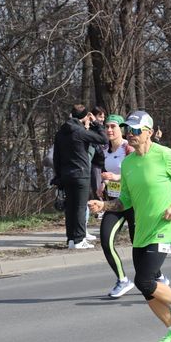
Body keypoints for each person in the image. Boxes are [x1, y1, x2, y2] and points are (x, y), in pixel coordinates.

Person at [88, 110, 171, 342]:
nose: (132, 134)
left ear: (149, 133)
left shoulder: (165, 155)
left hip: (164, 226)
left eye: (137, 131)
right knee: (145, 286)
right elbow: (124, 200)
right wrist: (104, 205)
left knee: (144, 279)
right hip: (142, 230)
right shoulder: (128, 163)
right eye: (129, 130)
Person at [97, 114, 171, 298]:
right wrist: (104, 184)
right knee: (105, 240)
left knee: (139, 244)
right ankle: (122, 280)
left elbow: (136, 172)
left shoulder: (129, 148)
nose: (109, 130)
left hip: (134, 204)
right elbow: (111, 171)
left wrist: (116, 178)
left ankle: (158, 276)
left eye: (113, 126)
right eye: (107, 126)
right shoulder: (105, 149)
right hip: (117, 202)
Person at [53, 104, 107, 249]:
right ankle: (79, 240)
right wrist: (95, 123)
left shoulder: (60, 132)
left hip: (65, 175)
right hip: (80, 174)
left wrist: (58, 176)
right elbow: (103, 139)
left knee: (70, 207)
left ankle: (71, 239)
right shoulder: (80, 132)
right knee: (80, 207)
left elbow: (56, 157)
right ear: (84, 117)